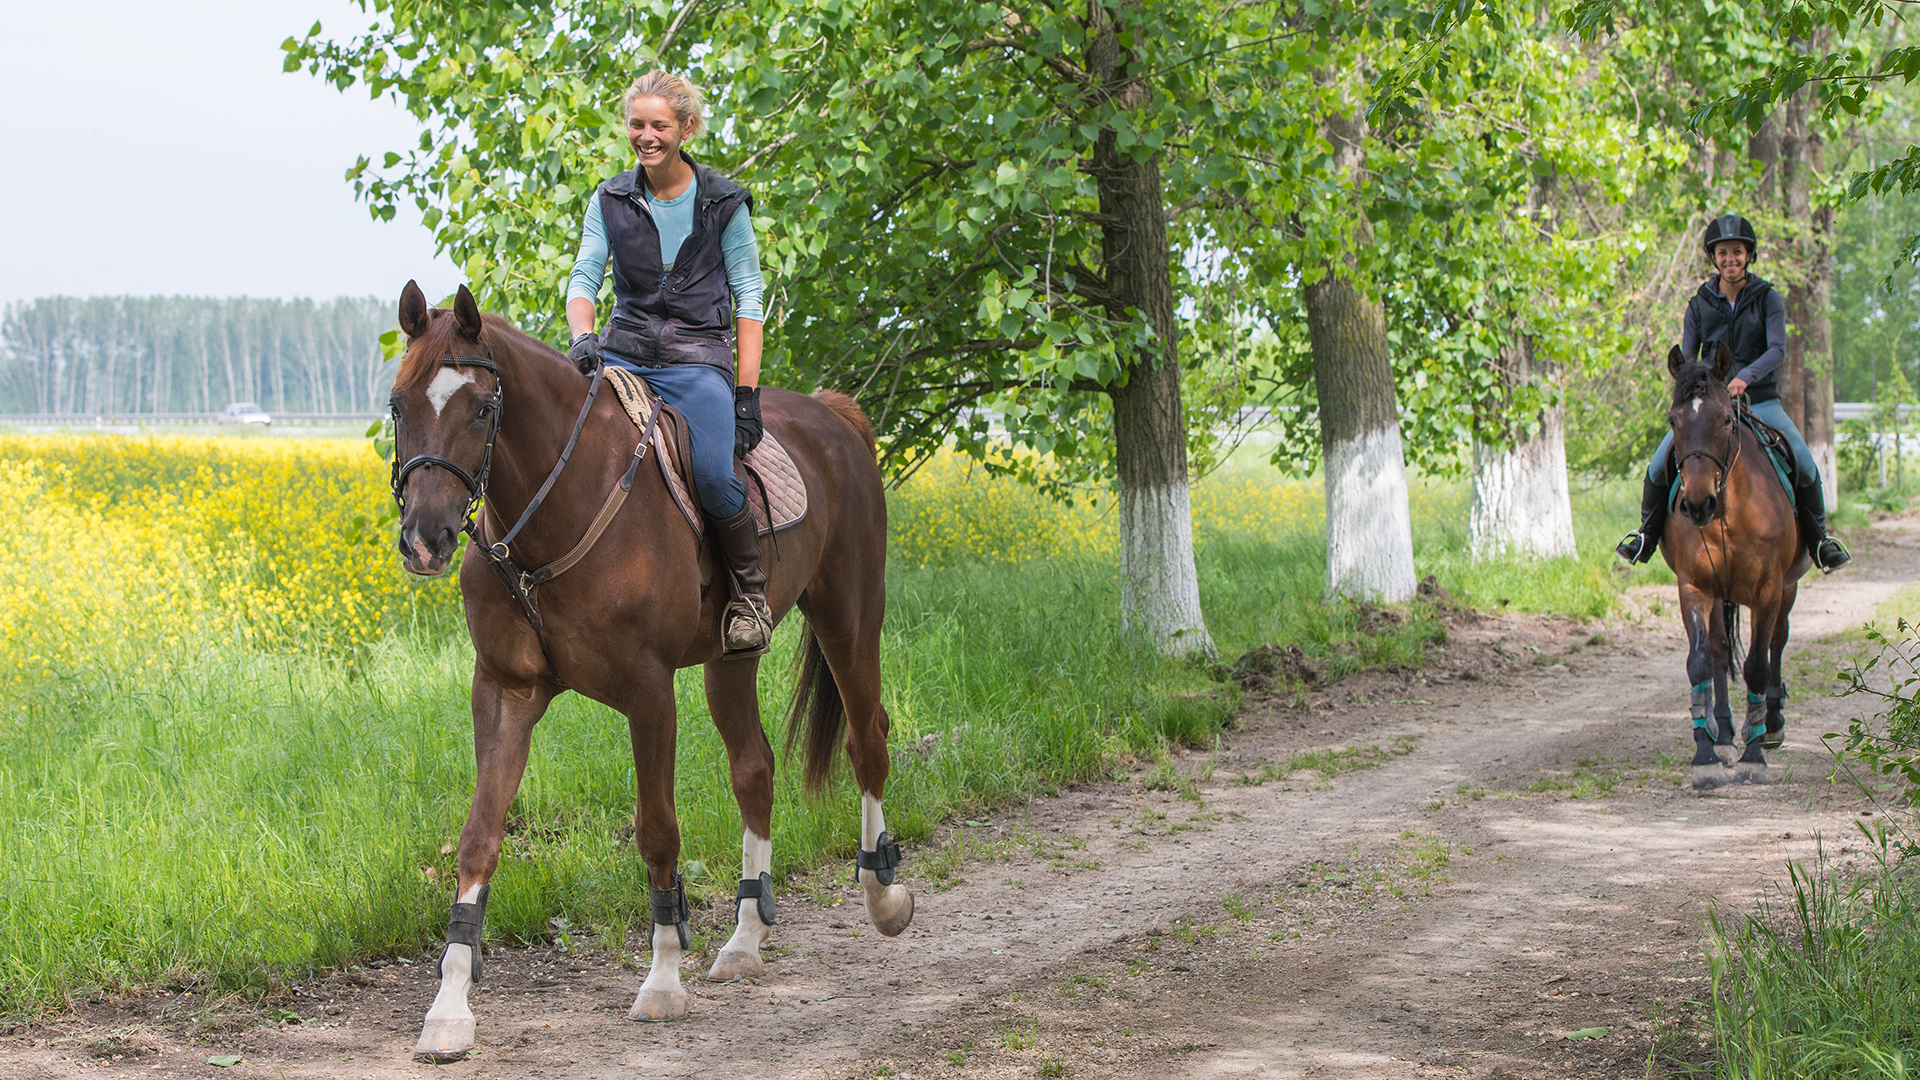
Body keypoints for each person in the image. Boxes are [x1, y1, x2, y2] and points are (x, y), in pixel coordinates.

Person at [564, 71, 774, 657]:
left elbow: (748, 300)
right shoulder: (609, 198)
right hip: (621, 354)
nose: (646, 136)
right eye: (637, 124)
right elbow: (584, 277)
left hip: (696, 362)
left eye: (659, 125)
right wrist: (583, 336)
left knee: (712, 471)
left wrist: (747, 392)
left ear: (686, 127)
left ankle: (749, 596)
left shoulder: (725, 204)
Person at [1615, 213, 1851, 572]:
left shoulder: (1767, 298)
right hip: (1711, 405)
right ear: (1713, 257)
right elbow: (1689, 355)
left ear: (1749, 255)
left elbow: (1777, 350)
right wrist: (1696, 384)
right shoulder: (1699, 304)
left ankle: (1820, 543)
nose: (1730, 259)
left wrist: (1744, 377)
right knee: (1658, 463)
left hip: (1761, 400)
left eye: (1737, 252)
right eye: (1723, 252)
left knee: (1803, 460)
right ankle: (1646, 536)